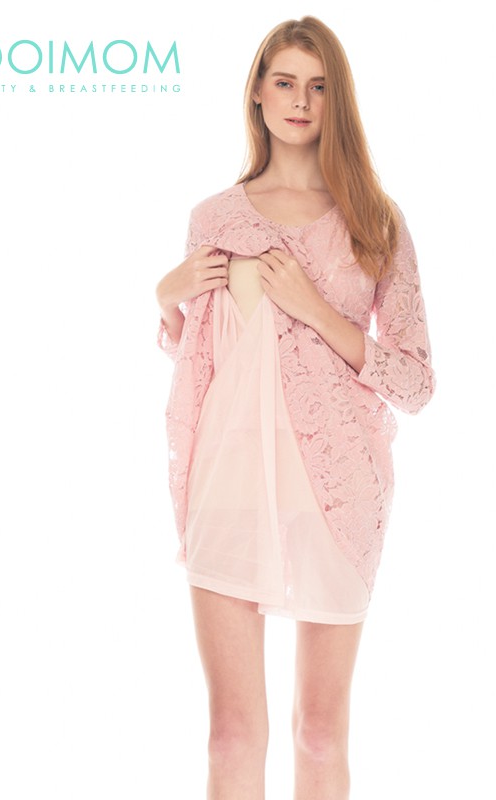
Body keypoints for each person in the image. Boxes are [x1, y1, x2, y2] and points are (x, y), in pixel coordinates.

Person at [155, 15, 435, 799]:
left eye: (318, 86)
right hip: (226, 482)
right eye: (284, 81)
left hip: (337, 490)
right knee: (231, 735)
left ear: (337, 99)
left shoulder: (375, 220)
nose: (301, 101)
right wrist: (166, 298)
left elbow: (416, 383)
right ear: (257, 91)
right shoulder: (215, 217)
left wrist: (316, 308)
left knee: (318, 731)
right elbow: (211, 362)